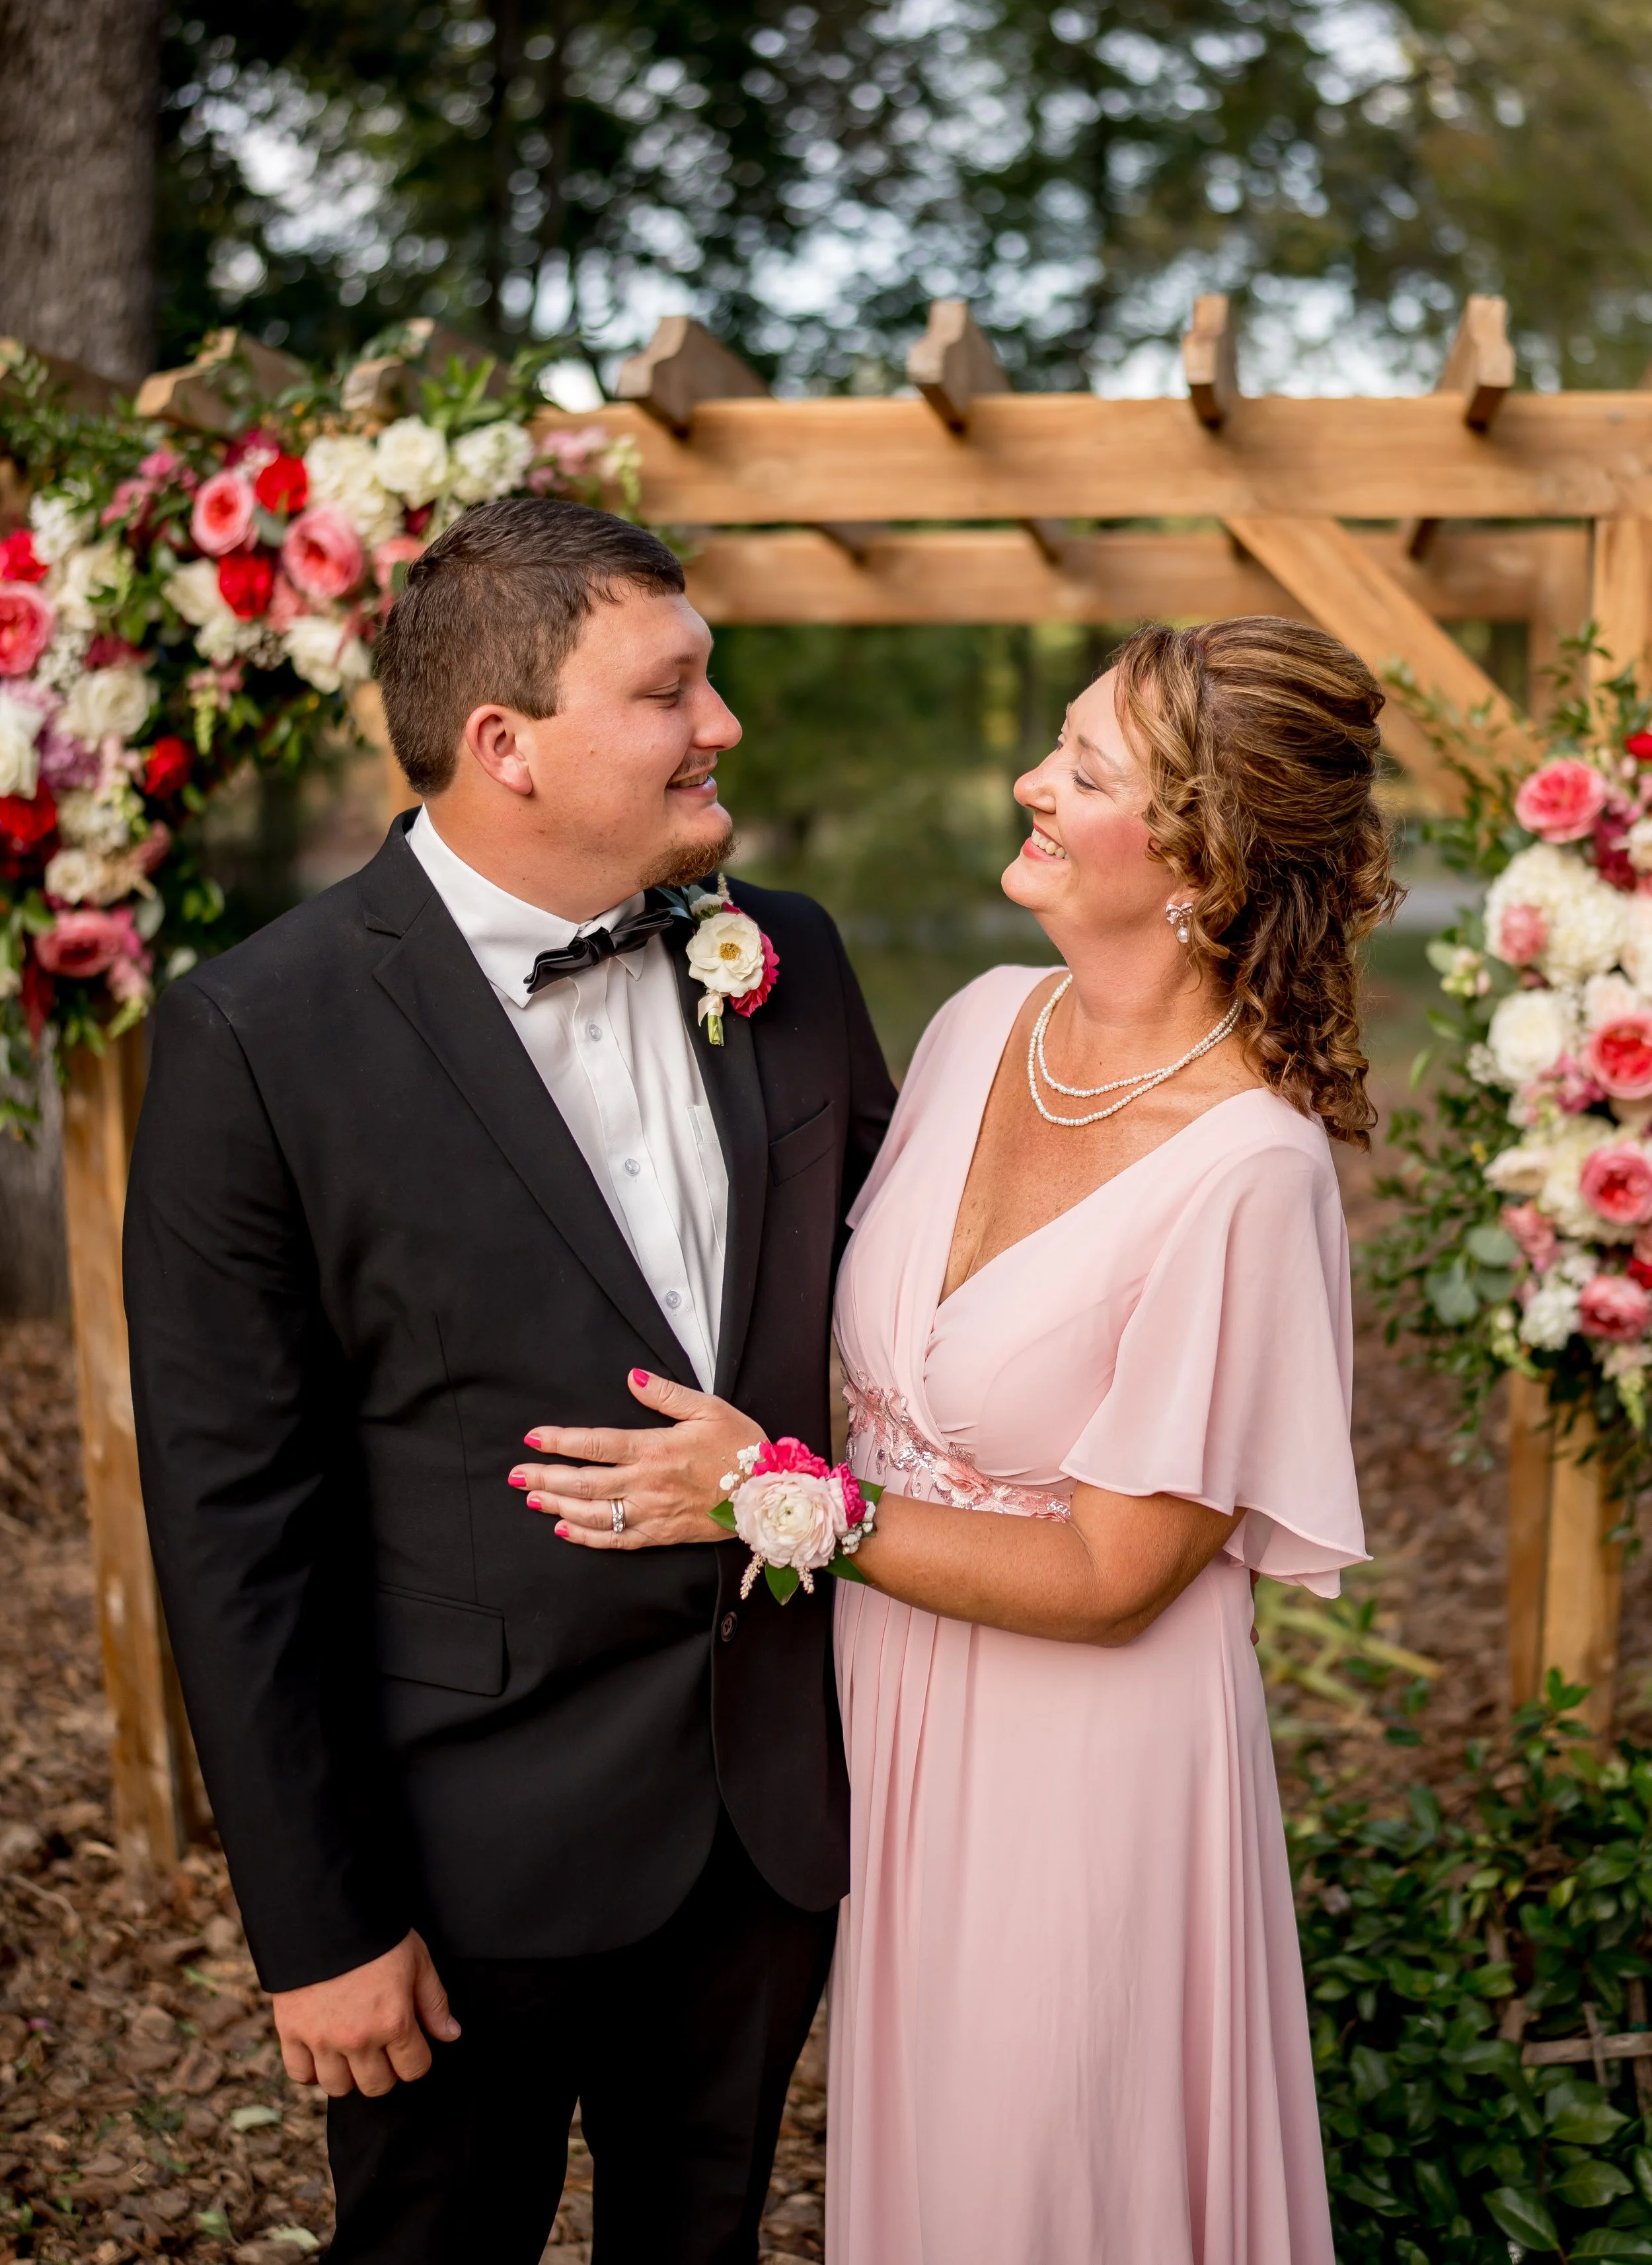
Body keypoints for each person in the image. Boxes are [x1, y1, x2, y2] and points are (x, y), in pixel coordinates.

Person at [522, 615, 1387, 2263]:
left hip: (1082, 1757)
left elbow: (1115, 1573)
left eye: (1081, 769)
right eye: (1050, 746)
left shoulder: (1250, 1172)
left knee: (1042, 2171)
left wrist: (769, 1502)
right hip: (892, 1721)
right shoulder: (982, 1021)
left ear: (1198, 850)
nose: (1027, 782)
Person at [123, 494, 896, 2265]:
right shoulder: (258, 1032)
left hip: (762, 1818)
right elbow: (233, 1518)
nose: (722, 722)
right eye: (670, 687)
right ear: (505, 744)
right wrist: (317, 1923)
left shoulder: (787, 961)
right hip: (459, 1849)